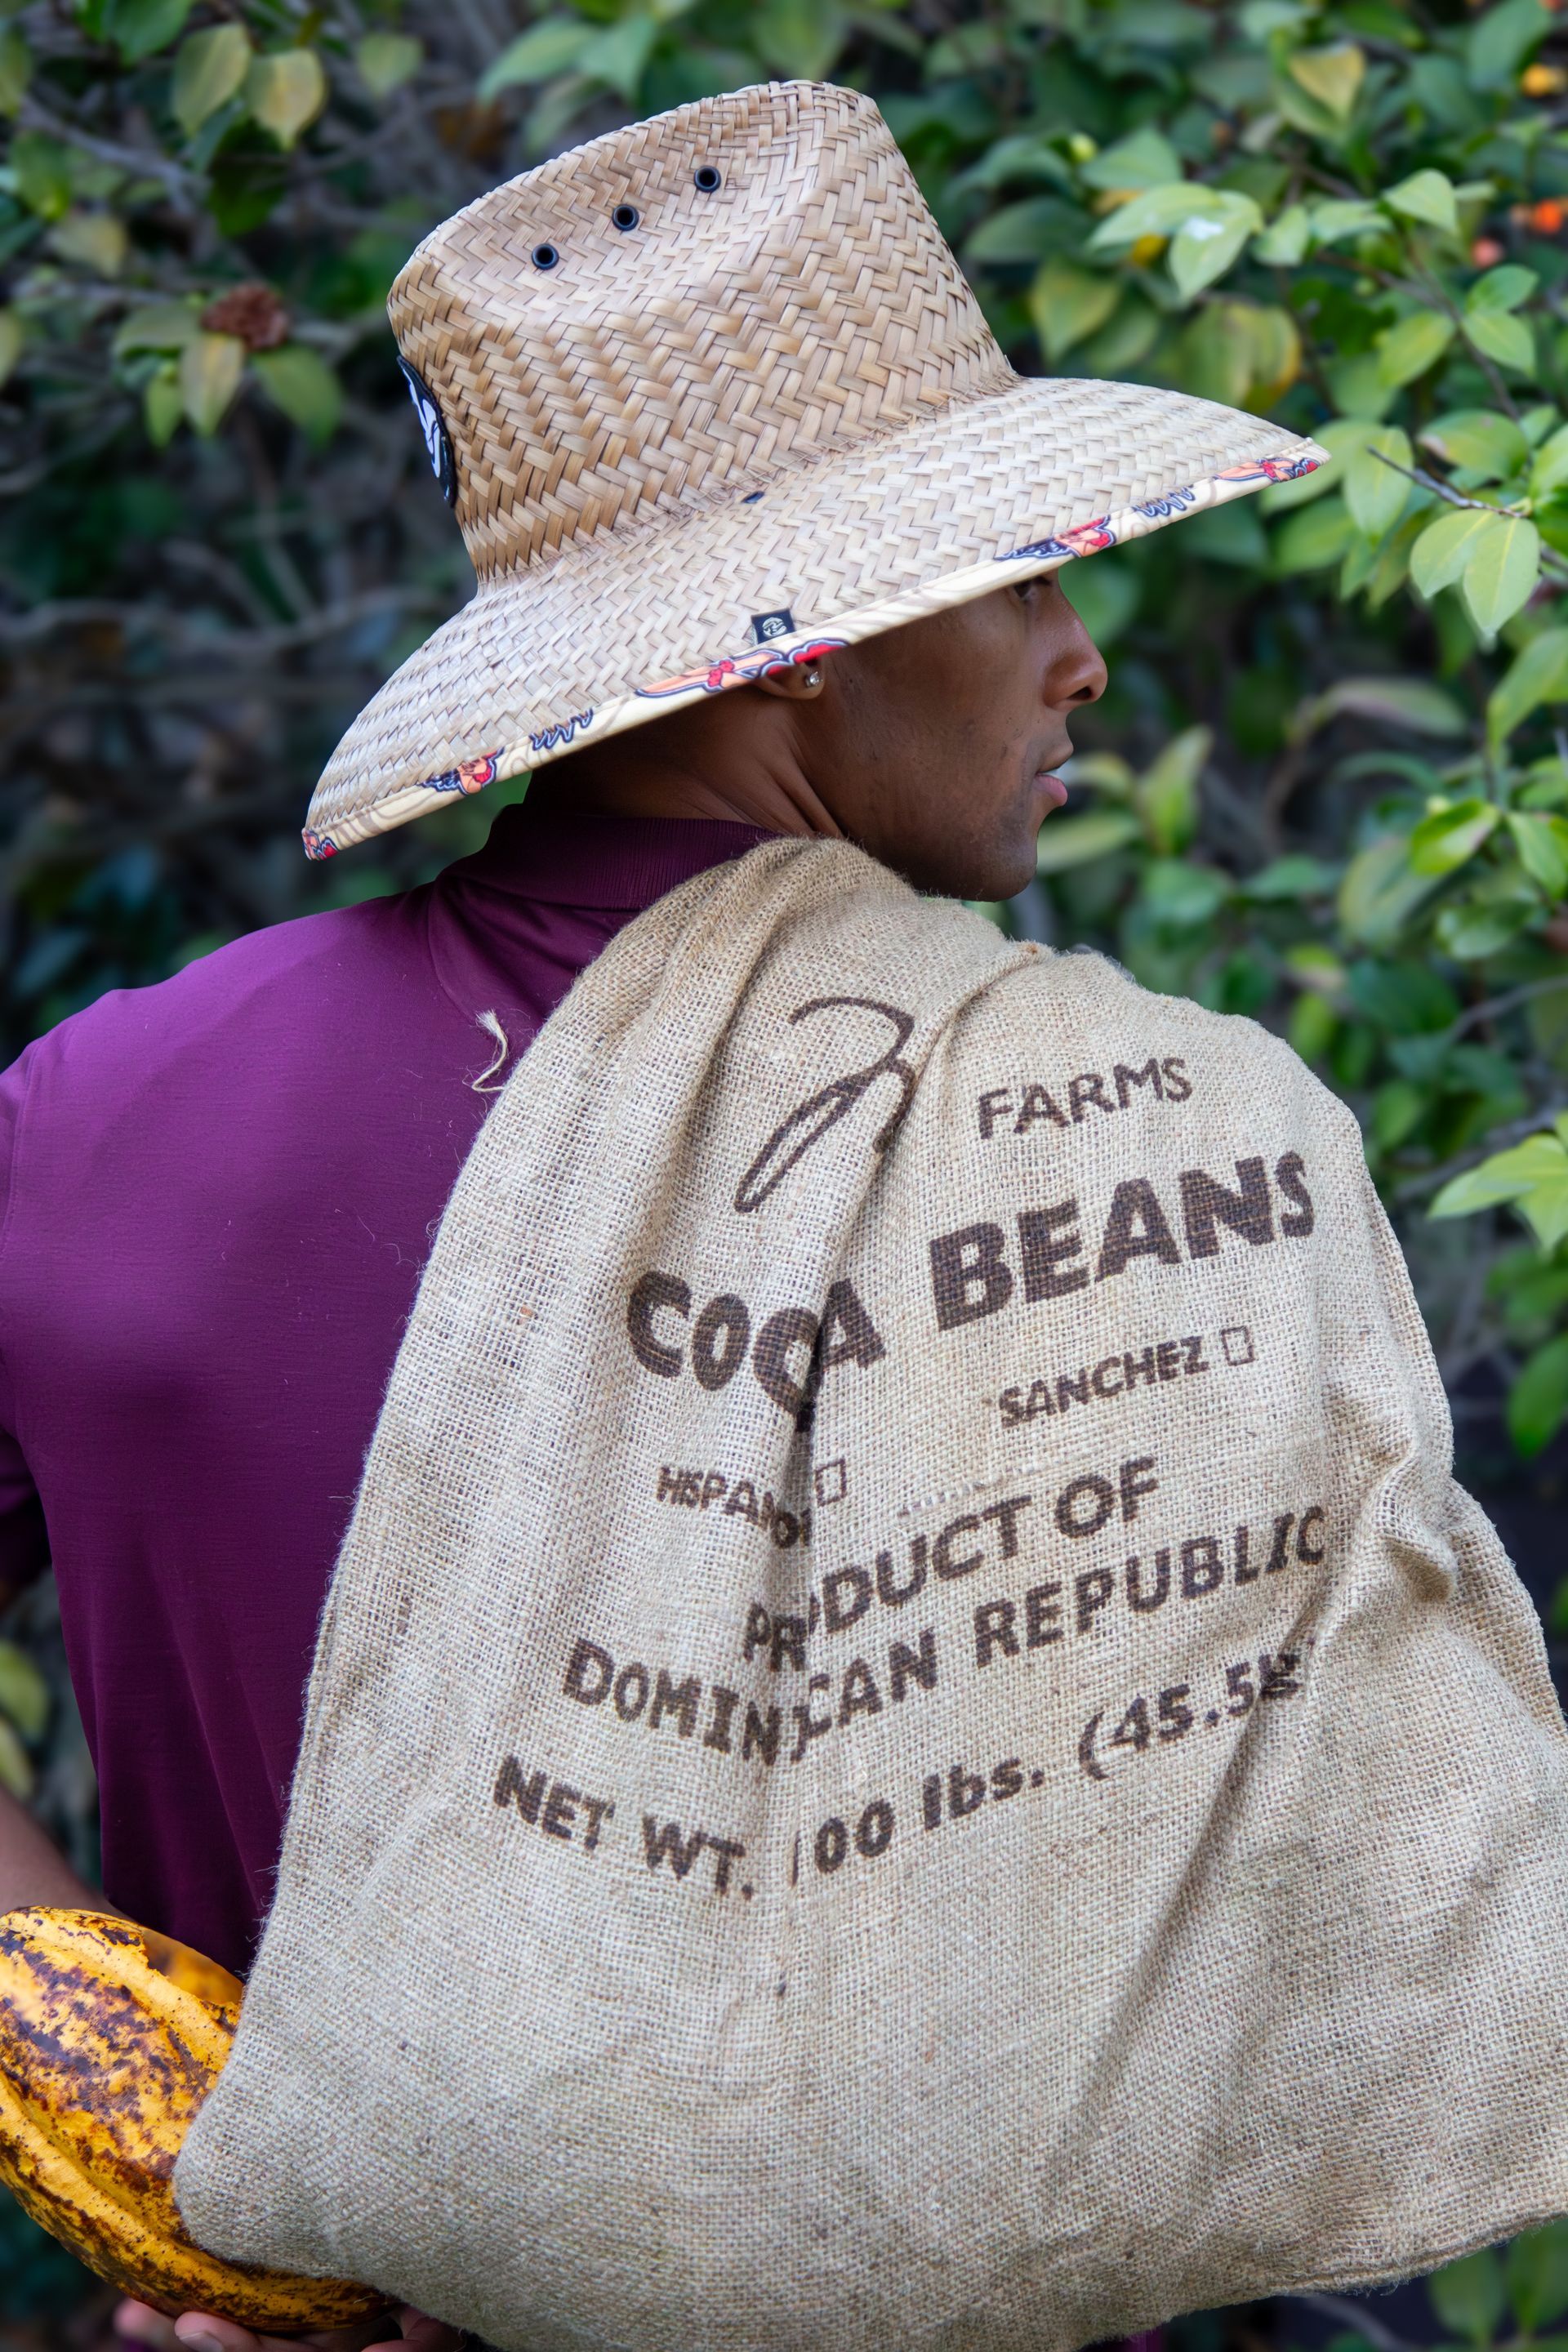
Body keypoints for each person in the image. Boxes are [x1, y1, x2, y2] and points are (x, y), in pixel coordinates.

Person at [0, 78, 1325, 2352]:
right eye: (1019, 573)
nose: (1079, 654)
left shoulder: (110, 1121)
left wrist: (135, 2114)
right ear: (801, 634)